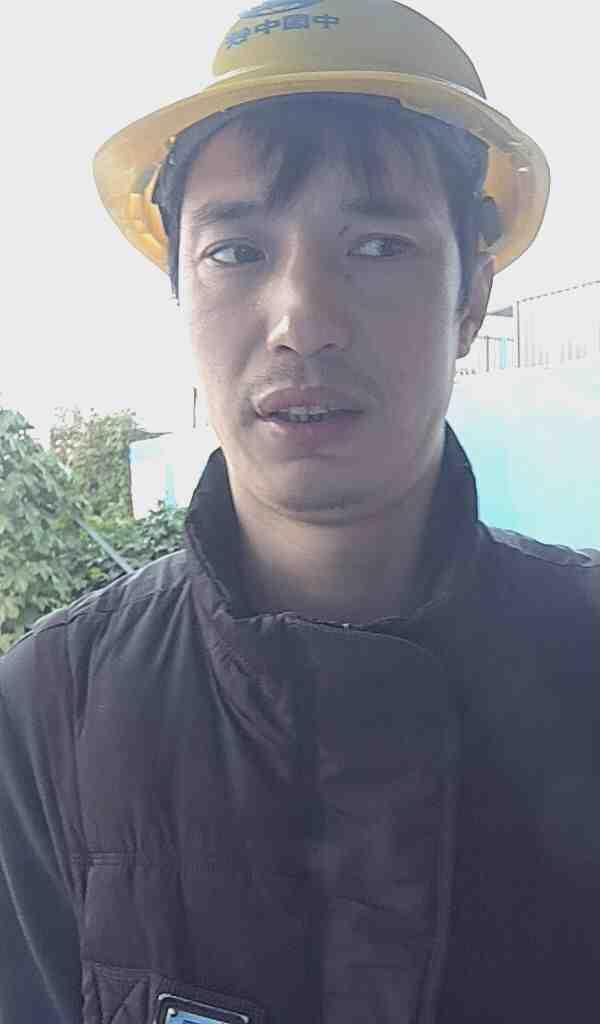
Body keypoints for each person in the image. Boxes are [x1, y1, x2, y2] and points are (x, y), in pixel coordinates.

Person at [1, 2, 599, 1022]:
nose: (303, 321)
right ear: (179, 292)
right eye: (236, 253)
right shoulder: (52, 707)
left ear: (470, 298)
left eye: (378, 246)